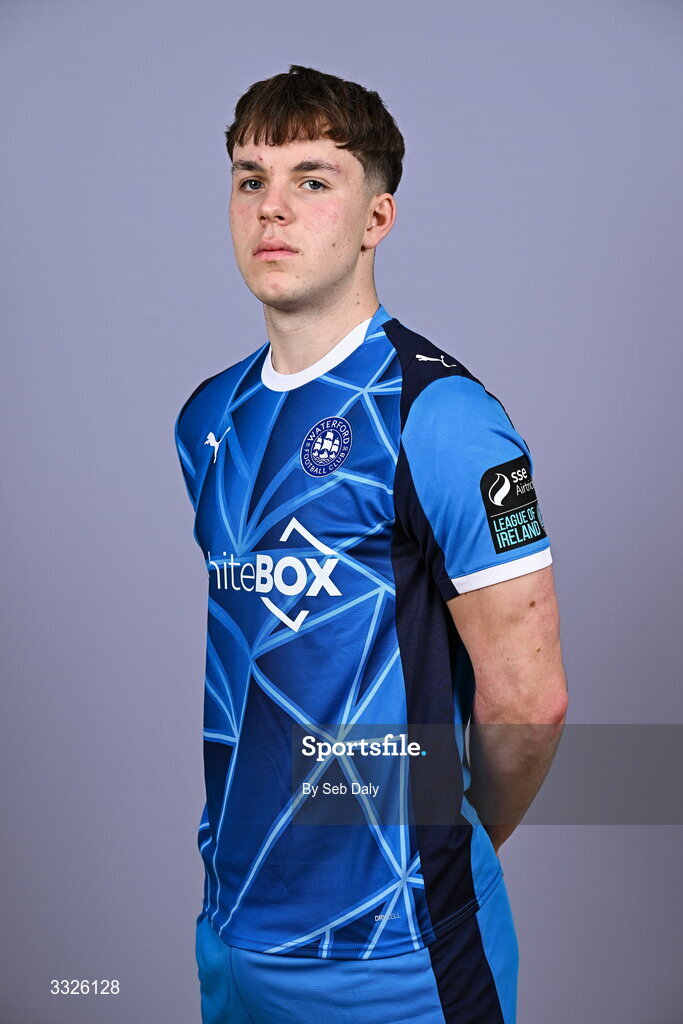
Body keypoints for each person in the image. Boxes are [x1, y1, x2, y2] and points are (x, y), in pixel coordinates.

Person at [174, 64, 568, 1024]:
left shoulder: (445, 419)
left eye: (313, 180)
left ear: (375, 218)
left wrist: (449, 845)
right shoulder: (207, 418)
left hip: (395, 947)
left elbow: (530, 702)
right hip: (232, 933)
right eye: (250, 178)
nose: (272, 207)